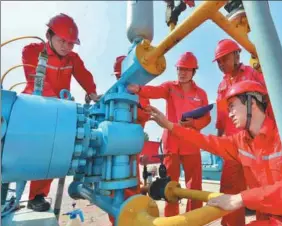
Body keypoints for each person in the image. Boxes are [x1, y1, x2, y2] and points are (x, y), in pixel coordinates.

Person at [147, 80, 282, 226]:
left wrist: (240, 199)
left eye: (232, 106)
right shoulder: (241, 141)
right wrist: (170, 126)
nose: (229, 113)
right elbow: (206, 141)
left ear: (252, 103)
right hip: (275, 219)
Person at [22, 13, 100, 212]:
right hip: (34, 106)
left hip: (58, 109)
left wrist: (92, 92)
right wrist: (58, 104)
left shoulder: (72, 59)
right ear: (49, 35)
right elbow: (35, 81)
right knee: (21, 147)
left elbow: (83, 74)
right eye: (62, 40)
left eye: (71, 43)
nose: (66, 46)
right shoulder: (33, 51)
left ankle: (37, 195)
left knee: (52, 150)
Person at [127, 52, 211, 216]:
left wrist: (193, 124)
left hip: (192, 143)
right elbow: (155, 91)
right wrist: (139, 89)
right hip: (171, 145)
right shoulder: (170, 87)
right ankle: (171, 220)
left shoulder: (201, 94)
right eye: (180, 69)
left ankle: (195, 219)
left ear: (194, 71)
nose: (182, 72)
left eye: (186, 69)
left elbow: (206, 118)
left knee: (195, 187)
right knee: (169, 187)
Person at [213, 39, 269, 226]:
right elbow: (221, 113)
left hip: (255, 141)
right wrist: (219, 135)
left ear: (236, 55)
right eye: (218, 62)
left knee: (260, 188)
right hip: (232, 144)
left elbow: (267, 98)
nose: (221, 64)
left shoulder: (252, 74)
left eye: (223, 59)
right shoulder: (221, 85)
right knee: (229, 188)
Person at [108, 55, 151, 225]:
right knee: (113, 192)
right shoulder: (111, 93)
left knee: (132, 189)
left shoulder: (140, 93)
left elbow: (145, 113)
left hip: (131, 152)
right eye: (119, 77)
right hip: (112, 152)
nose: (121, 80)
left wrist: (134, 103)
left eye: (123, 76)